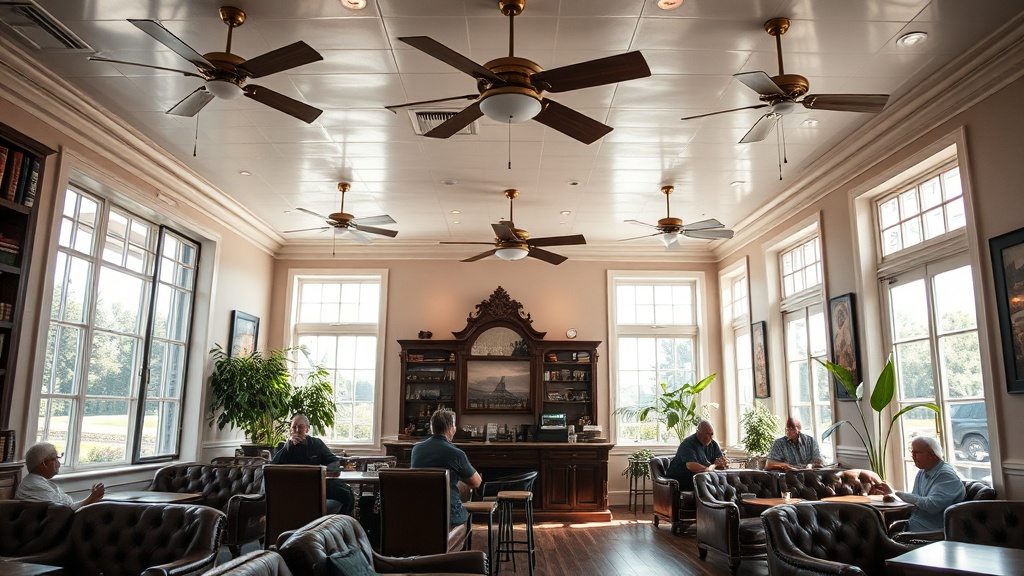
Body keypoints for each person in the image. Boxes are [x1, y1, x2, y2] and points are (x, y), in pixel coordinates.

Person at [875, 436, 966, 532]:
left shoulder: (946, 476)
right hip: (913, 526)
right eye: (912, 453)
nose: (912, 456)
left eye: (916, 453)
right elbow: (916, 500)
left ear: (931, 454)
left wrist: (896, 493)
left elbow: (931, 506)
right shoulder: (922, 471)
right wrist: (892, 495)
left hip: (932, 533)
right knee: (873, 521)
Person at [410, 408, 482, 527]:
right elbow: (477, 482)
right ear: (450, 427)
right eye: (454, 425)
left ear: (432, 427)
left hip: (420, 513)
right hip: (449, 514)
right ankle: (461, 544)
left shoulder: (416, 449)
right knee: (466, 511)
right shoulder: (456, 453)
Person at [272, 414, 354, 515]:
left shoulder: (316, 444)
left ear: (307, 428)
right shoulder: (285, 448)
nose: (297, 430)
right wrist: (287, 447)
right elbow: (272, 468)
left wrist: (320, 472)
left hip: (317, 485)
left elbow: (334, 462)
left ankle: (341, 527)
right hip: (295, 489)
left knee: (347, 494)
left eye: (300, 426)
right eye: (294, 427)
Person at [16, 442, 104, 509]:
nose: (58, 463)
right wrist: (91, 498)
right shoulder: (34, 485)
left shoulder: (35, 482)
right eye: (55, 459)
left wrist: (92, 498)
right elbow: (66, 510)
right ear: (43, 464)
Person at [665, 420, 728, 490]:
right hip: (683, 477)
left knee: (727, 483)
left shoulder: (713, 444)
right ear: (698, 432)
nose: (709, 437)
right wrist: (708, 469)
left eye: (711, 434)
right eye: (706, 434)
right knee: (705, 480)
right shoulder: (688, 444)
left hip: (704, 476)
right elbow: (691, 466)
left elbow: (720, 461)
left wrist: (722, 464)